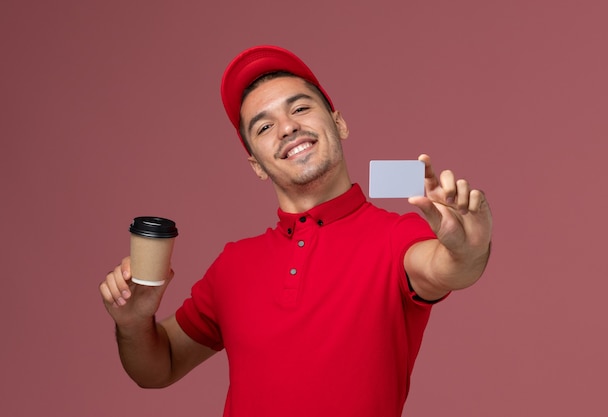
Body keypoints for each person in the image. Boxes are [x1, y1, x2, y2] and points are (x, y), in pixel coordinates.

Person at [99, 45, 493, 417]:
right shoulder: (233, 265)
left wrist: (470, 248)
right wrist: (133, 323)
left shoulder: (396, 237)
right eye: (264, 125)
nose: (287, 128)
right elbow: (157, 368)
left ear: (338, 122)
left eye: (300, 108)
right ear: (254, 163)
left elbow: (449, 267)